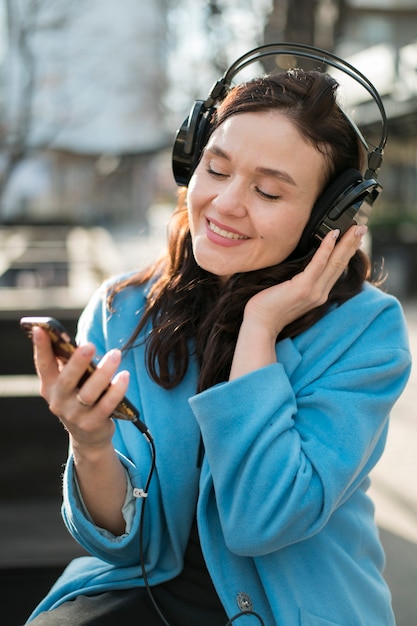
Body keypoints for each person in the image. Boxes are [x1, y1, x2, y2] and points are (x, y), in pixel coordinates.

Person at [25, 56, 411, 626]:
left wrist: (260, 326)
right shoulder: (123, 309)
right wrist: (90, 442)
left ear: (328, 218)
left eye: (270, 193)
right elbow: (124, 547)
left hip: (294, 609)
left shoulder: (364, 332)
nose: (226, 203)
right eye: (217, 168)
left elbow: (263, 521)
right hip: (142, 593)